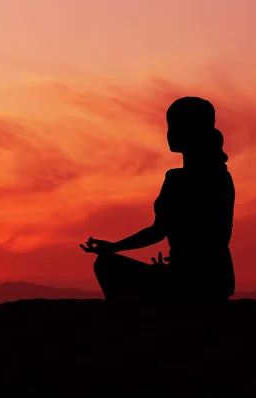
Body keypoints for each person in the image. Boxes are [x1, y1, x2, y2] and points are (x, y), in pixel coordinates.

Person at [80, 97, 235, 302]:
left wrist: (112, 247)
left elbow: (158, 231)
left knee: (105, 264)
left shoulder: (179, 180)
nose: (169, 133)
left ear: (190, 129)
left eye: (173, 125)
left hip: (190, 282)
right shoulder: (221, 176)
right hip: (217, 280)